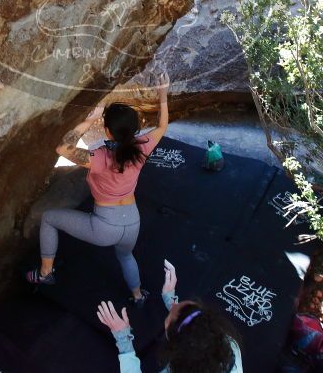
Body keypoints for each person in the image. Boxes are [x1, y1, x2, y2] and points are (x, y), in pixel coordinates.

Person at [26, 73, 170, 304]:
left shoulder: (100, 157)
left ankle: (45, 274)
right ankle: (137, 295)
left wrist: (89, 119)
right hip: (132, 221)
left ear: (107, 132)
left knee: (49, 219)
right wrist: (163, 92)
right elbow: (163, 124)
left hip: (104, 226)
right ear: (137, 127)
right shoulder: (143, 146)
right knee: (125, 255)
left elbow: (63, 148)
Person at [97, 260, 243, 373]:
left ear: (174, 346)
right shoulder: (228, 343)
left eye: (168, 319)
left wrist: (123, 338)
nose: (172, 305)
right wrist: (170, 299)